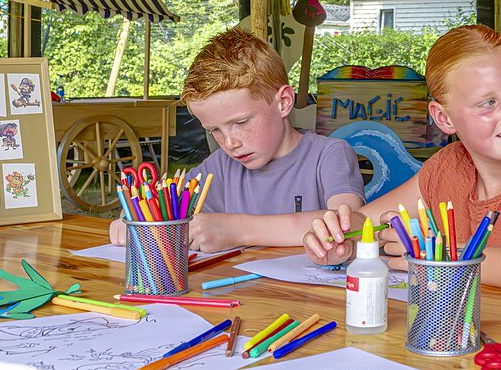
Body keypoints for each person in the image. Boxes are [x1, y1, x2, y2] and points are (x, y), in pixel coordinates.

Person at [304, 24, 501, 294]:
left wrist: (446, 257)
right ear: (444, 118)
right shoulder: (446, 168)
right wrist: (341, 239)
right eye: (488, 102)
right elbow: (365, 222)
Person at [108, 28, 364, 251]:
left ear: (284, 102)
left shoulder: (330, 155)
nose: (229, 142)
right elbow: (161, 204)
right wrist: (131, 218)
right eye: (214, 130)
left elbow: (350, 224)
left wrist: (237, 229)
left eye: (240, 123)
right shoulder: (218, 167)